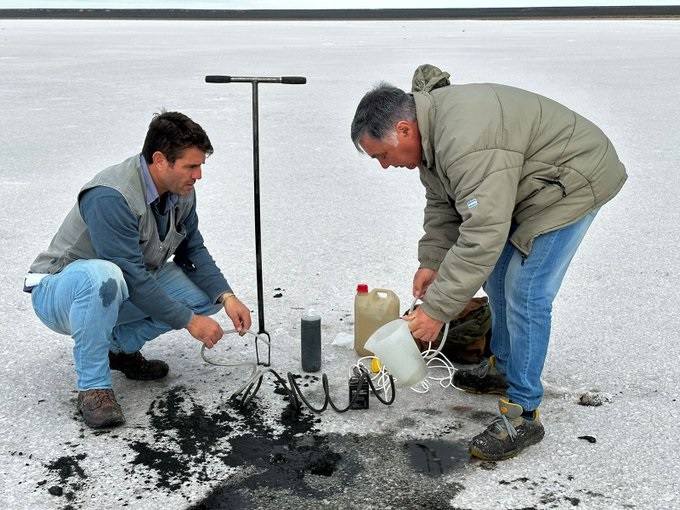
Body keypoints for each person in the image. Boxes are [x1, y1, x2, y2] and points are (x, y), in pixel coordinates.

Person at [351, 64, 626, 460]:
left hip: (573, 182)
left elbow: (482, 233)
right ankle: (505, 366)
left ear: (404, 130)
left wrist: (438, 310)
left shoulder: (465, 139)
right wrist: (432, 260)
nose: (385, 165)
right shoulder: (431, 137)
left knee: (527, 291)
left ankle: (524, 412)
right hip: (526, 186)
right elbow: (444, 203)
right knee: (497, 277)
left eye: (382, 155)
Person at [25, 111, 252, 429]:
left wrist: (227, 297)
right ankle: (93, 388)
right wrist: (188, 321)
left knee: (206, 293)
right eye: (191, 166)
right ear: (160, 160)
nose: (198, 175)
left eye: (200, 165)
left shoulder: (181, 192)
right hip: (60, 291)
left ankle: (119, 349)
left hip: (118, 287)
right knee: (104, 276)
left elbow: (193, 251)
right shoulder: (111, 196)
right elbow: (129, 273)